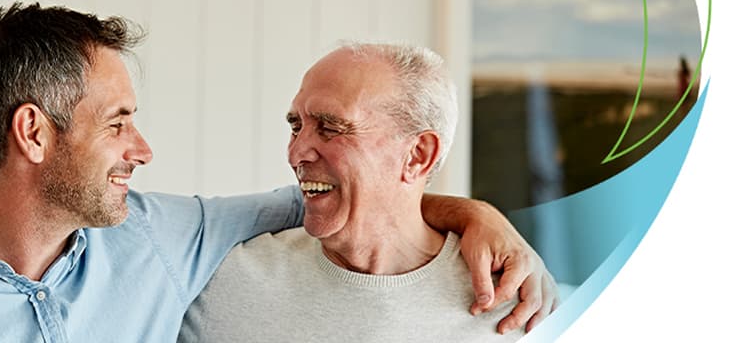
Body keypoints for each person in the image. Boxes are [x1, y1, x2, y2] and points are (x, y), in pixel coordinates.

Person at [0, 3, 554, 342]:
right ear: (33, 133)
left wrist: (474, 214)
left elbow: (344, 200)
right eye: (117, 123)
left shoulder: (161, 240)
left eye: (327, 125)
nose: (142, 148)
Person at [178, 43, 544, 342]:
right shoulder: (222, 285)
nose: (296, 153)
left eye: (330, 128)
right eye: (296, 126)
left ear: (417, 155)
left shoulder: (516, 305)